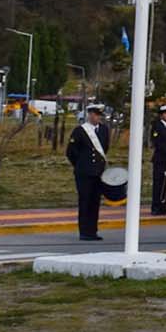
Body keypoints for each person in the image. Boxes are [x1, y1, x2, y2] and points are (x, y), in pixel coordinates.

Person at [66, 103, 110, 241]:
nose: (97, 117)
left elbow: (105, 148)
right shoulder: (80, 131)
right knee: (85, 201)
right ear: (90, 115)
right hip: (84, 173)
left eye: (99, 115)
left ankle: (93, 230)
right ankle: (84, 231)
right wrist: (80, 165)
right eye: (95, 114)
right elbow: (71, 152)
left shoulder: (103, 130)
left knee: (95, 202)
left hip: (98, 172)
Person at [148, 104, 166, 215]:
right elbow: (157, 142)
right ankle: (155, 207)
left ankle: (163, 206)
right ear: (161, 115)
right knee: (159, 183)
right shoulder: (156, 126)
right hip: (161, 159)